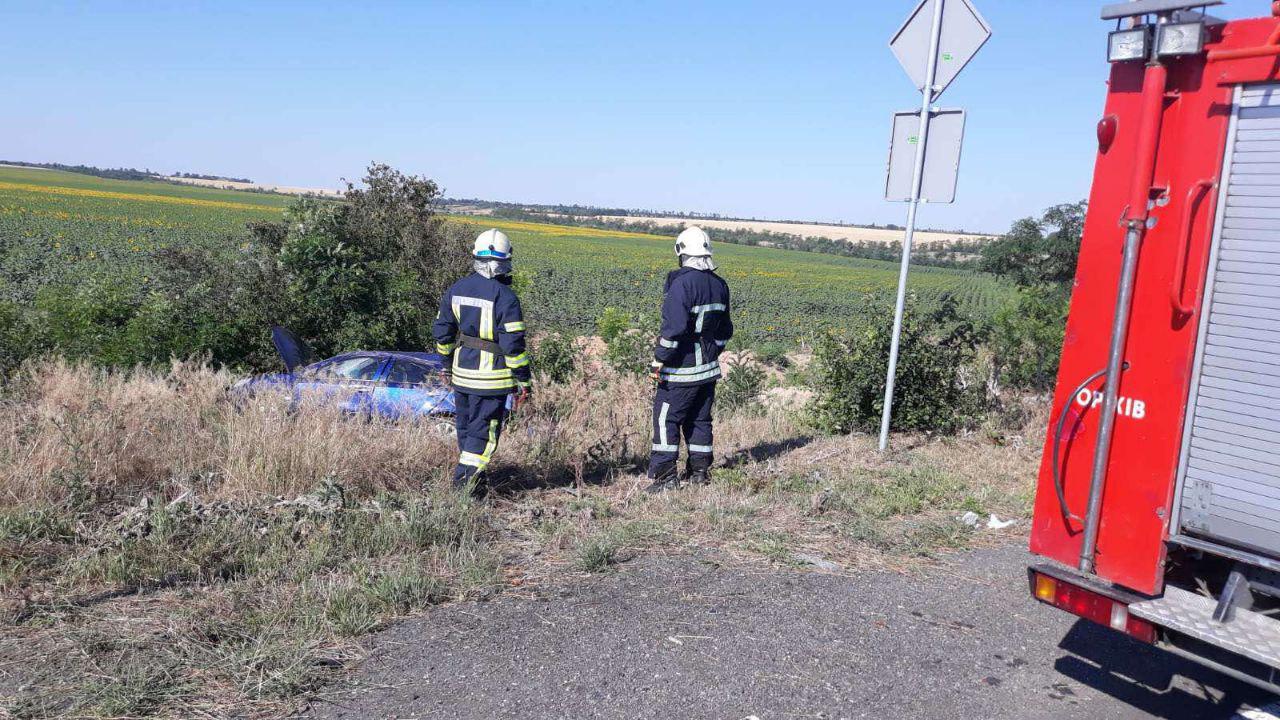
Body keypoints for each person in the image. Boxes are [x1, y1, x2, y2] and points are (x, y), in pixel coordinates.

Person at [433, 228, 531, 495]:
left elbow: (442, 333)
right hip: (491, 380)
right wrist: (523, 379)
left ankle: (477, 485)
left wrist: (446, 365)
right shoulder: (506, 297)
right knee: (482, 435)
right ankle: (463, 490)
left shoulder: (456, 289)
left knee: (467, 432)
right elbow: (513, 345)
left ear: (476, 256)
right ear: (506, 260)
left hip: (461, 375)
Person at [646, 226, 733, 493]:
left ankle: (665, 477)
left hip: (681, 370)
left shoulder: (681, 285)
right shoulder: (720, 284)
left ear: (681, 252)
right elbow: (724, 331)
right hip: (708, 370)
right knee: (699, 419)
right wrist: (712, 352)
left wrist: (659, 359)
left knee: (666, 419)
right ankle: (699, 472)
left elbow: (673, 330)